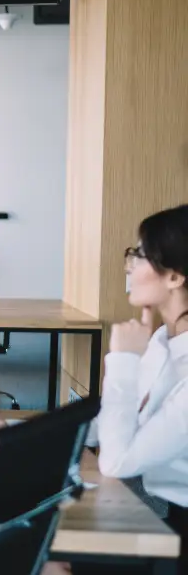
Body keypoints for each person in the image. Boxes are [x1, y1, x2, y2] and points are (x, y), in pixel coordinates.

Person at [95, 204, 188, 573]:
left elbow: (117, 460)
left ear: (175, 277)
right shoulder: (165, 340)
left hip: (175, 527)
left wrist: (122, 361)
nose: (130, 266)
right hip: (152, 504)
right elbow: (122, 423)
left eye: (140, 255)